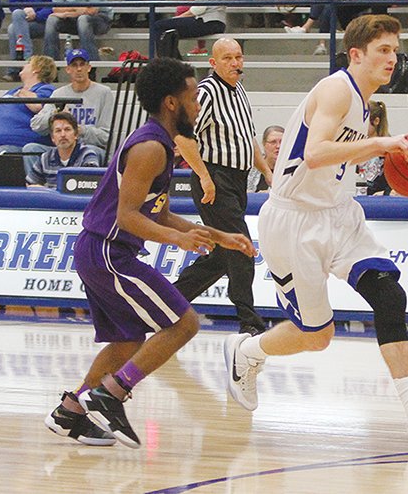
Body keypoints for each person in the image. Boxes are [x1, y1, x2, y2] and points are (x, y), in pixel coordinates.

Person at [224, 14, 408, 449]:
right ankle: (246, 353)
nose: (392, 58)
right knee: (316, 337)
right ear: (355, 54)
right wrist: (380, 145)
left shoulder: (365, 101)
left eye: (395, 50)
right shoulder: (337, 88)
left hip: (339, 215)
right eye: (383, 50)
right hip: (293, 222)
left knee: (389, 294)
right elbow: (317, 153)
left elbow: (338, 159)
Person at [44, 57, 256, 449]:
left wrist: (215, 234)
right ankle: (112, 394)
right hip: (109, 251)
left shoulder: (160, 142)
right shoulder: (150, 148)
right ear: (172, 103)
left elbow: (158, 211)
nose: (198, 105)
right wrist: (177, 241)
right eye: (193, 97)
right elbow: (127, 217)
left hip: (100, 251)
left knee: (127, 340)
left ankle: (71, 411)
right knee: (184, 323)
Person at [174, 38, 271, 336]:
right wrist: (204, 175)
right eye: (227, 58)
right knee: (241, 247)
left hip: (238, 180)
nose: (235, 63)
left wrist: (267, 172)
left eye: (238, 57)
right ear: (213, 63)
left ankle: (167, 304)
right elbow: (182, 136)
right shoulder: (207, 92)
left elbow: (247, 136)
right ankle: (249, 323)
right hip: (215, 179)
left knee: (220, 256)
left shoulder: (239, 89)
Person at [25, 47, 114, 172]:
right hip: (62, 148)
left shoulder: (104, 93)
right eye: (74, 65)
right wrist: (55, 114)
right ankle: (36, 186)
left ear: (89, 67)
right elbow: (36, 125)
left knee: (88, 151)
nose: (78, 69)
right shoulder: (58, 93)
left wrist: (79, 130)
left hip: (90, 148)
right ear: (68, 69)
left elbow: (106, 137)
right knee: (31, 149)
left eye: (82, 64)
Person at [0, 55, 56, 153]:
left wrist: (23, 92)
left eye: (28, 63)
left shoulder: (46, 89)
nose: (24, 65)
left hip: (19, 144)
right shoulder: (12, 91)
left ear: (37, 69)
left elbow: (38, 106)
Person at [26, 111, 100, 189]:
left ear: (76, 135)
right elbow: (30, 184)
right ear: (52, 138)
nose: (63, 135)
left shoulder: (87, 155)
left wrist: (48, 191)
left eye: (67, 129)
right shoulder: (45, 158)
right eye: (58, 131)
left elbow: (88, 188)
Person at [357, 99, 392, 195]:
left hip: (379, 203)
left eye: (363, 122)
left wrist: (386, 193)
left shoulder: (389, 148)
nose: (358, 126)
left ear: (376, 121)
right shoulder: (356, 145)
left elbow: (397, 182)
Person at [247, 125, 284, 192]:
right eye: (273, 142)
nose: (278, 146)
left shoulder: (292, 169)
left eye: (282, 142)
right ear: (264, 144)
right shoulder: (251, 168)